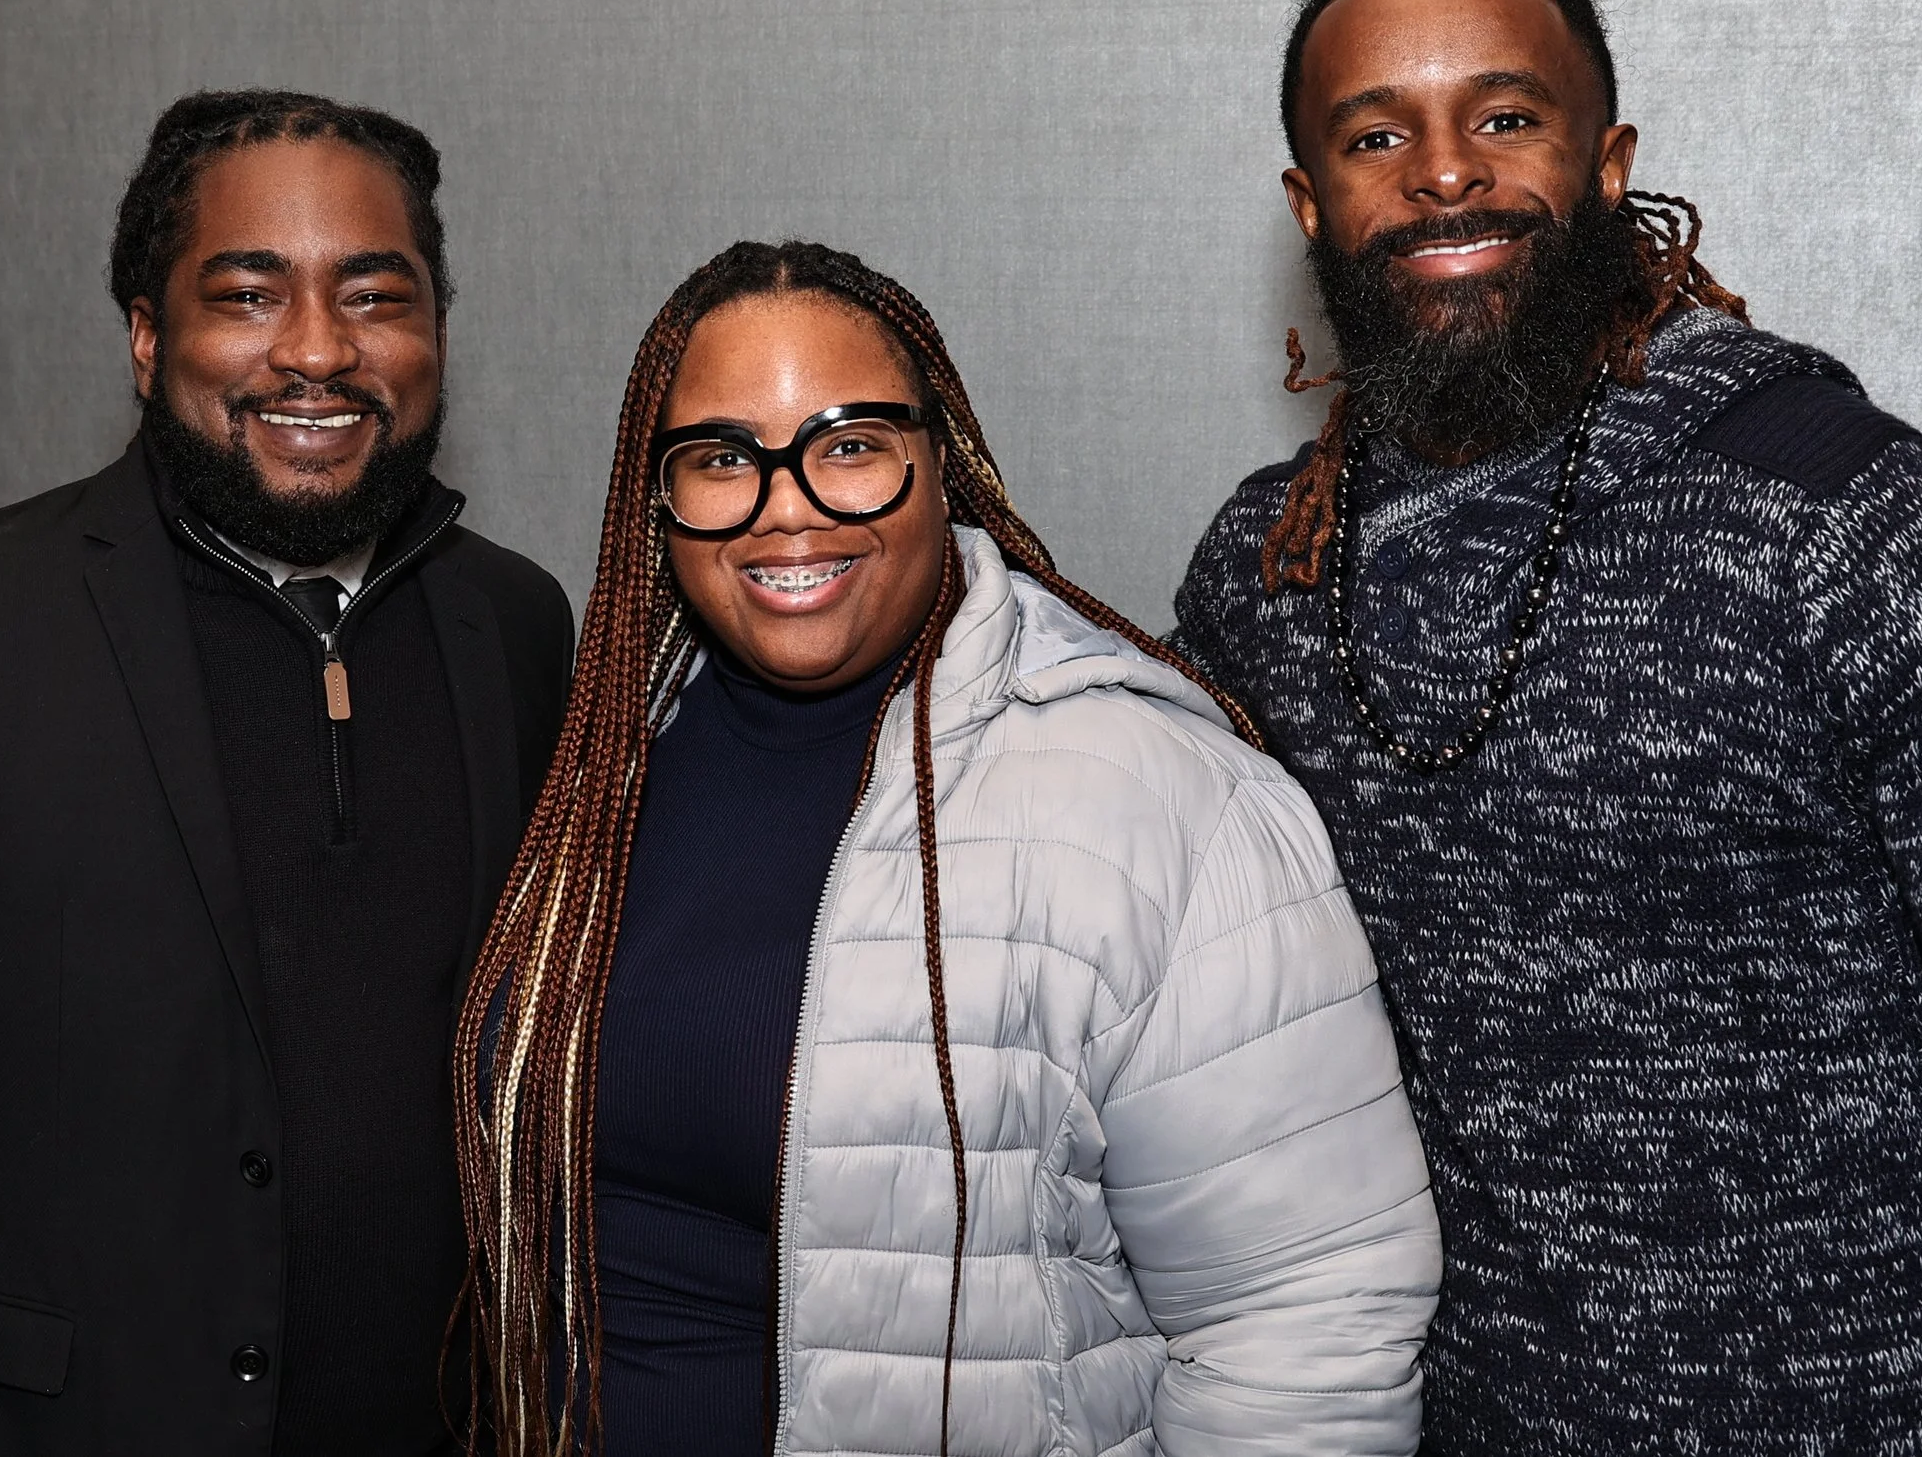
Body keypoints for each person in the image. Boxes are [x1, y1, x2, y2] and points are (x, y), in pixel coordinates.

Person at [1170, 0, 1922, 1453]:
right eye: (1380, 133)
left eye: (1504, 117)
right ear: (1313, 203)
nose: (1445, 170)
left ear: (1605, 164)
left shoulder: (1853, 517)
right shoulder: (1267, 571)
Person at [458, 240, 1439, 1456]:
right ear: (656, 497)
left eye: (851, 444)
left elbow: (1305, 1323)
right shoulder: (598, 761)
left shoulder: (1155, 796)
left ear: (943, 463)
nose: (787, 506)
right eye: (721, 459)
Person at [0, 89, 574, 1456]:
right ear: (146, 335)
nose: (316, 351)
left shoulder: (516, 626)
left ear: (435, 334)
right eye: (247, 293)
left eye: (373, 295)